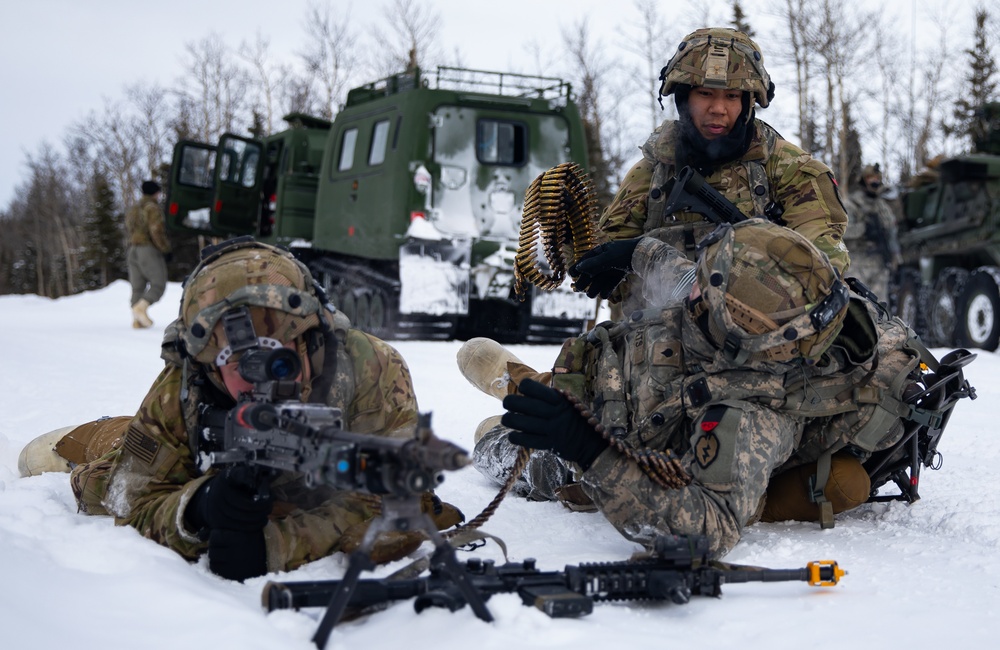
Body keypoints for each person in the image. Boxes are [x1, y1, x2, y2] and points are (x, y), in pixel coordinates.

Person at [18, 238, 461, 580]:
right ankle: (100, 433)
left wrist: (275, 546)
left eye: (279, 356)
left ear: (311, 337)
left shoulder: (370, 370)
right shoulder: (185, 386)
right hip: (191, 461)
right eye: (237, 364)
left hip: (319, 485)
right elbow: (129, 497)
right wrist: (198, 509)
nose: (262, 380)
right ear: (209, 364)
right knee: (79, 475)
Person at [463, 220, 876, 558]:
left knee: (486, 440)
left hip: (601, 450)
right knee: (475, 356)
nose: (691, 285)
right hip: (605, 381)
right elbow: (682, 275)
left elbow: (709, 529)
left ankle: (524, 413)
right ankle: (529, 384)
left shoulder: (751, 416)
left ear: (739, 332)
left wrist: (587, 450)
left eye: (703, 287)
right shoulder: (745, 314)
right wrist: (637, 250)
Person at [594, 27, 850, 316]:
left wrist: (653, 259)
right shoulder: (651, 172)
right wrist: (573, 236)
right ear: (683, 98)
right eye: (704, 93)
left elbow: (817, 275)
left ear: (747, 103)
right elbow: (609, 281)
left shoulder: (793, 173)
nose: (718, 108)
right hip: (656, 347)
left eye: (731, 96)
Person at [844, 164, 902, 301]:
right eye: (871, 178)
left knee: (879, 309)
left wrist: (897, 259)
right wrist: (863, 229)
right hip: (857, 264)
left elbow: (892, 233)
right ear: (863, 180)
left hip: (879, 265)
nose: (874, 181)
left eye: (877, 178)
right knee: (856, 308)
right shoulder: (852, 204)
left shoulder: (882, 206)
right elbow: (842, 231)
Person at [125, 180, 172, 328]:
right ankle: (141, 308)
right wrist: (165, 249)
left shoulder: (134, 209)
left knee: (137, 286)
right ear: (155, 193)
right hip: (147, 248)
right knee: (158, 284)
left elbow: (129, 227)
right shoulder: (152, 208)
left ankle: (137, 320)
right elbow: (156, 230)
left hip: (133, 249)